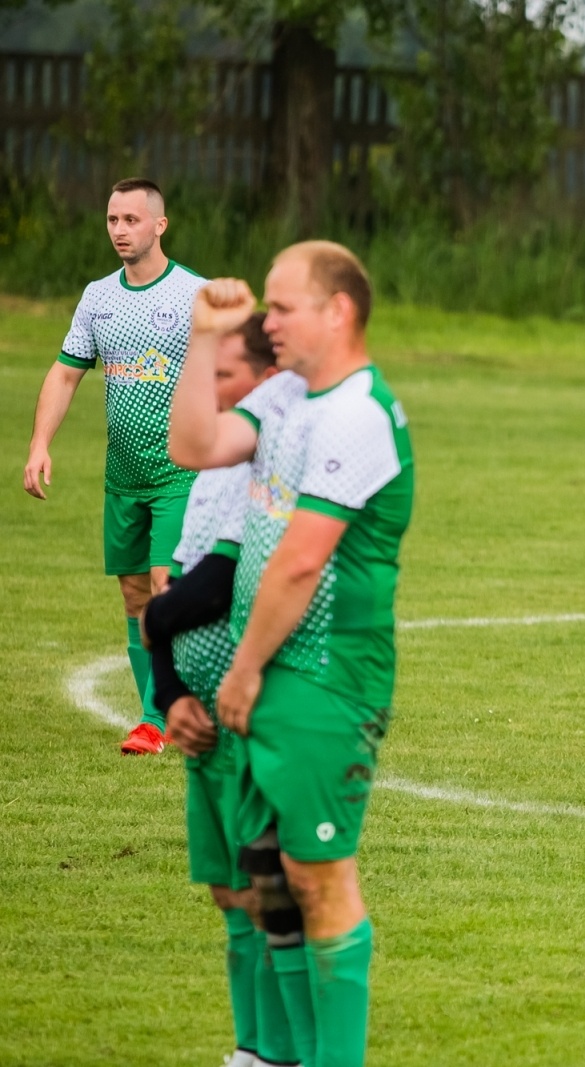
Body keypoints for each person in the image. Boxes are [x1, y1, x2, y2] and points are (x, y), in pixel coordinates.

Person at [168, 242, 413, 1067]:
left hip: (324, 676)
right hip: (272, 671)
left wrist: (241, 670)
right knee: (267, 874)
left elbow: (302, 561)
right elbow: (193, 447)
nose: (266, 323)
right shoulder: (288, 402)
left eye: (282, 307)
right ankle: (280, 1057)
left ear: (338, 310)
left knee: (319, 876)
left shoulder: (357, 414)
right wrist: (203, 339)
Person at [143, 313, 299, 1067]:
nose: (210, 391)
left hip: (245, 709)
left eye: (224, 374)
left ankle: (286, 1049)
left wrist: (158, 617)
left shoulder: (270, 450)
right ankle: (252, 1048)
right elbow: (176, 576)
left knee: (267, 884)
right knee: (229, 892)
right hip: (195, 713)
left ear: (267, 384)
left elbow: (215, 582)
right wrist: (170, 689)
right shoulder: (212, 458)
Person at [22, 177, 207, 754]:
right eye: (112, 220)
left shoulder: (196, 295)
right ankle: (170, 709)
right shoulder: (98, 297)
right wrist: (39, 444)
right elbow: (65, 372)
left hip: (183, 471)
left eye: (131, 220)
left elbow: (238, 372)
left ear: (160, 225)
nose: (120, 230)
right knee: (134, 598)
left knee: (165, 587)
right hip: (123, 476)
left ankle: (156, 720)